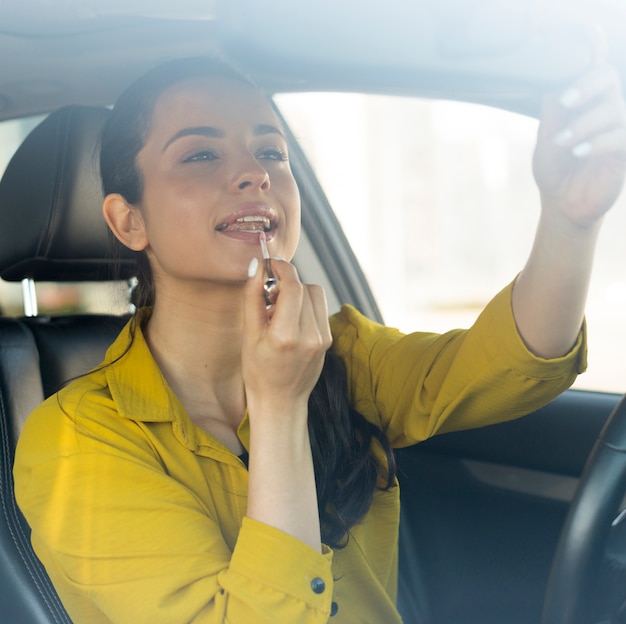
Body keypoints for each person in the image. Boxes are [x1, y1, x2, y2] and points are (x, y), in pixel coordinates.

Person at [13, 54, 626, 623]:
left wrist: (571, 222)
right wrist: (280, 406)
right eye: (201, 155)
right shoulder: (76, 439)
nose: (254, 174)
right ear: (129, 220)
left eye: (272, 152)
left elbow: (511, 366)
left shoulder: (343, 354)